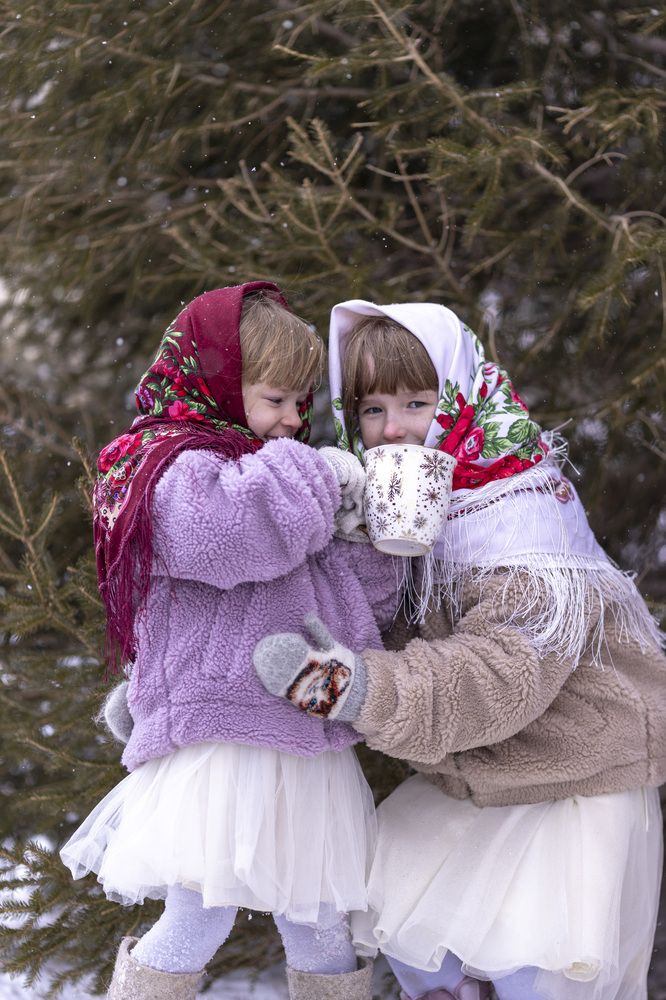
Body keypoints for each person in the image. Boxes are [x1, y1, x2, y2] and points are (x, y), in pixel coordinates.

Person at [253, 299, 666, 1000]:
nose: (393, 429)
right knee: (406, 924)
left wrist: (352, 689)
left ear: (463, 400)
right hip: (483, 776)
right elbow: (333, 619)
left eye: (417, 403)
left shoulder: (525, 524)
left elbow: (500, 675)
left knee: (538, 973)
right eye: (372, 409)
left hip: (574, 781)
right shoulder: (406, 515)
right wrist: (189, 693)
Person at [60, 283, 398, 1000]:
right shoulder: (169, 467)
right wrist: (319, 474)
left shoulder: (274, 475)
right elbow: (229, 537)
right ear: (219, 382)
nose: (293, 420)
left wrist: (368, 536)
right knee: (198, 915)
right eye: (276, 399)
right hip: (222, 739)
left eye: (302, 402)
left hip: (301, 737)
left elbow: (349, 602)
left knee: (320, 923)